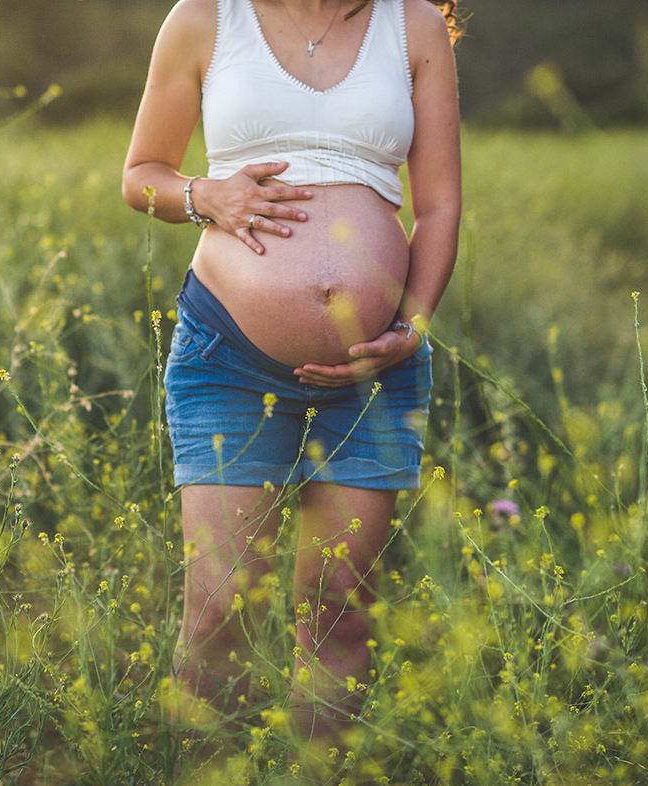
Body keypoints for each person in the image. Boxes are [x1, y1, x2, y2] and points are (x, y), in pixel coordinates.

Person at [121, 0, 461, 774]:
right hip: (228, 356)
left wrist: (412, 324)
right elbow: (139, 177)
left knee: (341, 612)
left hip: (376, 372)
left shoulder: (412, 24)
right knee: (218, 608)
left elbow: (439, 203)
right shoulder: (204, 17)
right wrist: (205, 195)